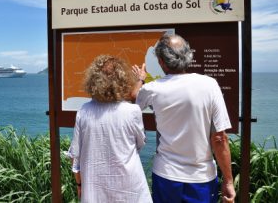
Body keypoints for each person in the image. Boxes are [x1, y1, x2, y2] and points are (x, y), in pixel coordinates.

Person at [131, 33, 236, 203]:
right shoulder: (209, 85)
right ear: (188, 56)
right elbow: (219, 138)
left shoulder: (153, 89)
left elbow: (135, 97)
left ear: (161, 62)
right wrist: (229, 181)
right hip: (202, 178)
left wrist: (139, 79)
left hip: (165, 175)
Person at [67, 54, 152, 203]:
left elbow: (75, 156)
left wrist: (80, 184)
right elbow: (140, 144)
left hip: (94, 192)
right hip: (130, 190)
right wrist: (140, 80)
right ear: (122, 79)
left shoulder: (84, 111)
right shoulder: (133, 111)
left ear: (93, 80)